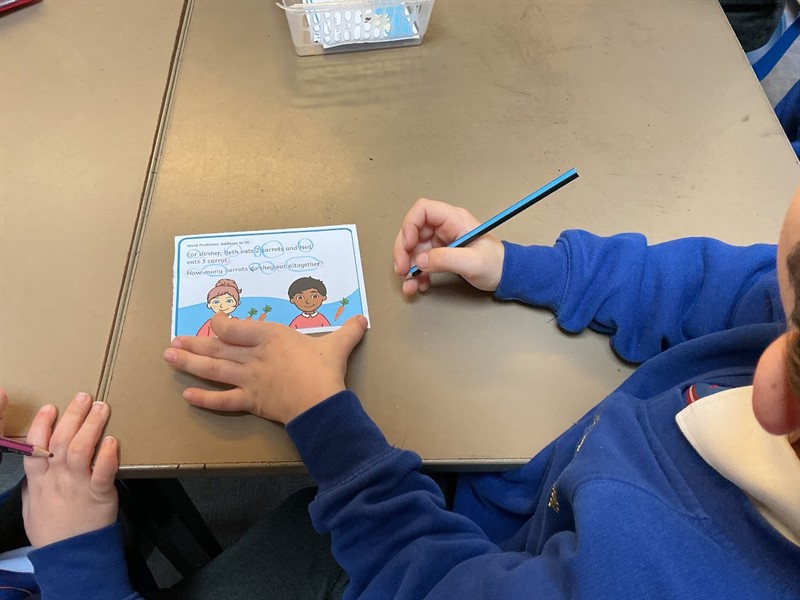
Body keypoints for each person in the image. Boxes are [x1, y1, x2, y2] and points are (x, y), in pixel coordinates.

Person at [3, 186, 799, 598]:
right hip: (515, 510)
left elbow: (436, 586)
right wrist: (526, 266)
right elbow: (731, 285)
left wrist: (78, 568)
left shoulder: (669, 576)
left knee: (293, 533)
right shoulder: (775, 315)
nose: (766, 338)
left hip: (448, 565)